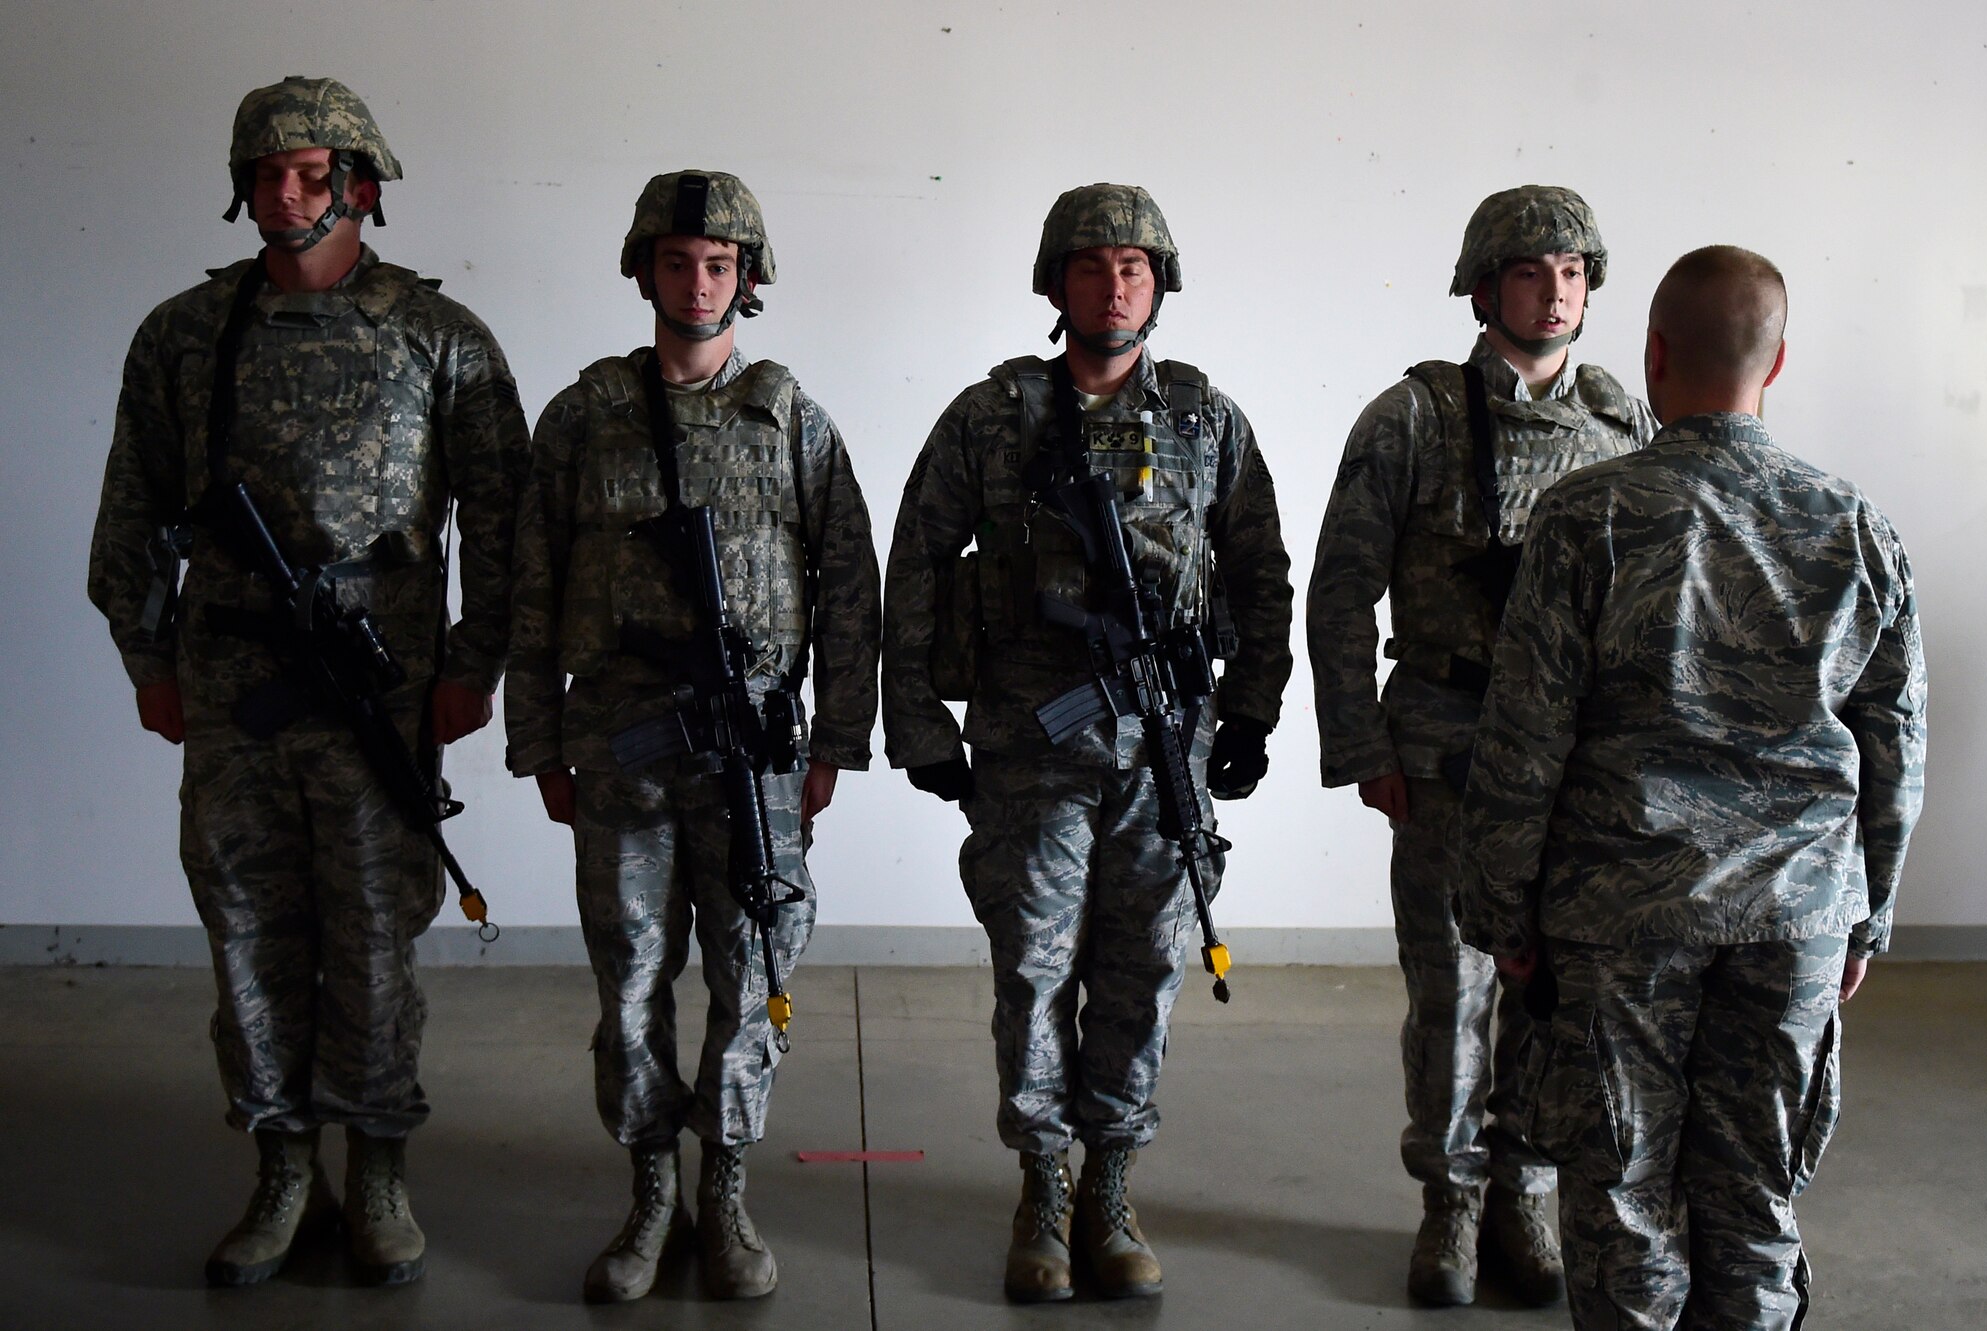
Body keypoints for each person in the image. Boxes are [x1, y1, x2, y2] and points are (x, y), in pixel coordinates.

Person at [86, 76, 528, 1287]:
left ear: (359, 184)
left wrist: (471, 665)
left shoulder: (440, 337)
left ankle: (377, 1167)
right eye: (266, 173)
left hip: (379, 688)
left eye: (311, 172)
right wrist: (147, 657)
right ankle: (281, 1163)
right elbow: (130, 509)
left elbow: (503, 523)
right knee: (246, 929)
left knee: (376, 934)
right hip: (230, 687)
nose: (287, 193)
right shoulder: (186, 333)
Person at [1457, 244, 1926, 1330]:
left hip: (1623, 915)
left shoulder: (1587, 516)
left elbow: (1522, 736)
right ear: (1776, 361)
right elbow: (1892, 742)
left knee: (1622, 1200)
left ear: (1652, 354)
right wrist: (1868, 916)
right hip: (1794, 914)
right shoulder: (1853, 525)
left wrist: (1501, 912)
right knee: (1755, 1192)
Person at [881, 183, 1292, 1303]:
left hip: (1162, 746)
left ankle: (1108, 1180)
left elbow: (1259, 569)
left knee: (1144, 966)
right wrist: (917, 722)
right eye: (1091, 264)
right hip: (1030, 746)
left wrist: (1248, 709)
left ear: (1159, 284)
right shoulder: (991, 416)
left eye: (1133, 266)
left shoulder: (1205, 419)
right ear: (1054, 284)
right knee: (1032, 966)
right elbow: (915, 559)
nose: (1114, 283)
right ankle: (1039, 1184)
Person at [505, 169, 880, 1302]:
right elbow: (531, 581)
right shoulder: (582, 420)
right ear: (643, 271)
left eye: (719, 263)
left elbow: (849, 587)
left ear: (748, 279)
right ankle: (648, 1189)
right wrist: (537, 744)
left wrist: (834, 744)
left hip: (754, 750)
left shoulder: (793, 419)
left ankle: (724, 1186)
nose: (697, 281)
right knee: (629, 977)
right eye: (676, 261)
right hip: (618, 741)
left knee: (751, 965)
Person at [1306, 185, 1657, 1306]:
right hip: (1449, 734)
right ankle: (1449, 1199)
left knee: (1553, 987)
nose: (1553, 292)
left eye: (1569, 272)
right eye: (1527, 272)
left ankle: (1525, 1191)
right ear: (1481, 284)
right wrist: (1363, 742)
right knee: (1451, 990)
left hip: (1578, 755)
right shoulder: (1412, 418)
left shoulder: (1622, 421)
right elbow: (1338, 591)